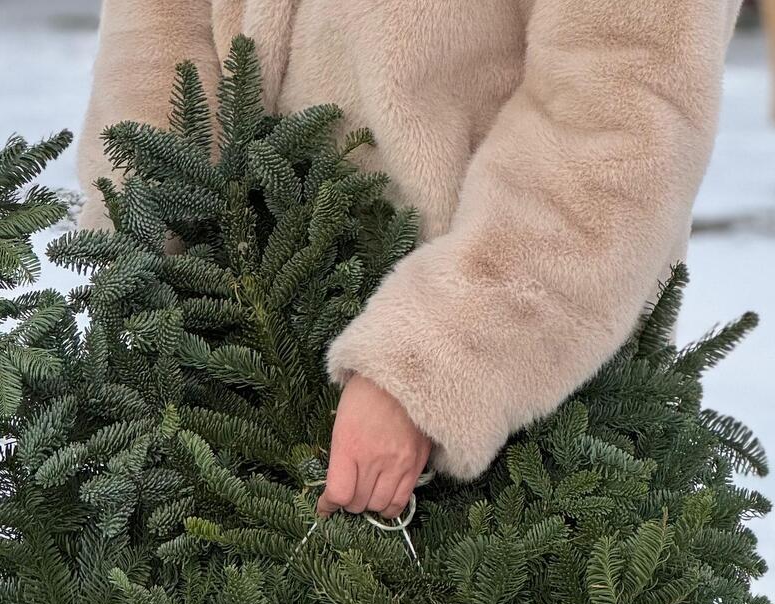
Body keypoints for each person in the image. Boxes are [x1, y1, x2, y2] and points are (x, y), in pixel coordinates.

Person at [76, 0, 744, 523]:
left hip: (515, 432)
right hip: (224, 363)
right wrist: (142, 263)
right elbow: (159, 30)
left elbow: (622, 121)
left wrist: (428, 369)